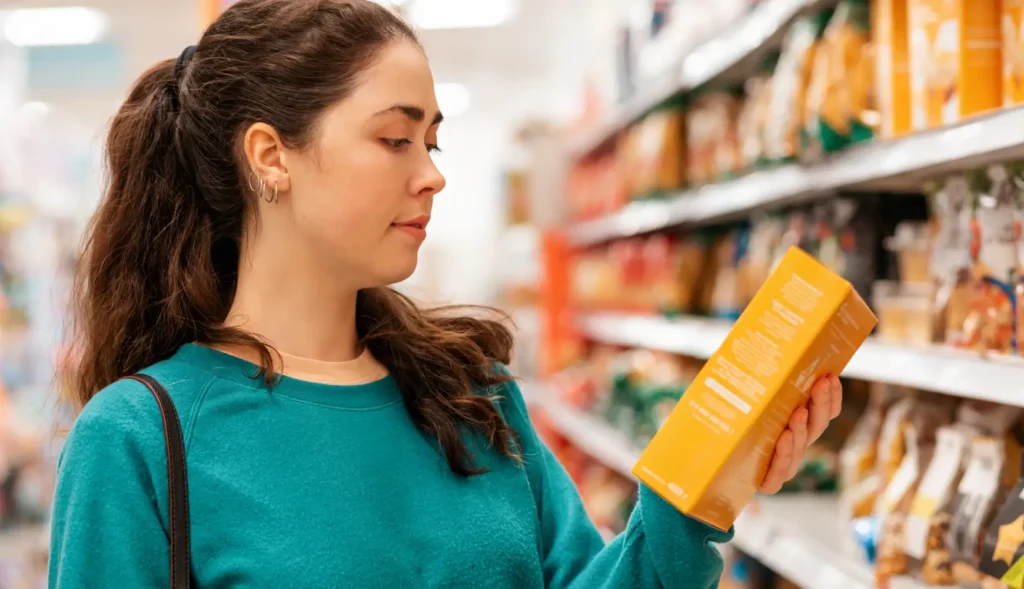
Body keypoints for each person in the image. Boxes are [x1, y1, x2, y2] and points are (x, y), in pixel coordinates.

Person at [48, 1, 844, 587]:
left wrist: (702, 490)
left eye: (431, 141)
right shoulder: (140, 438)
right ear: (270, 156)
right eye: (395, 138)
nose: (432, 173)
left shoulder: (472, 396)